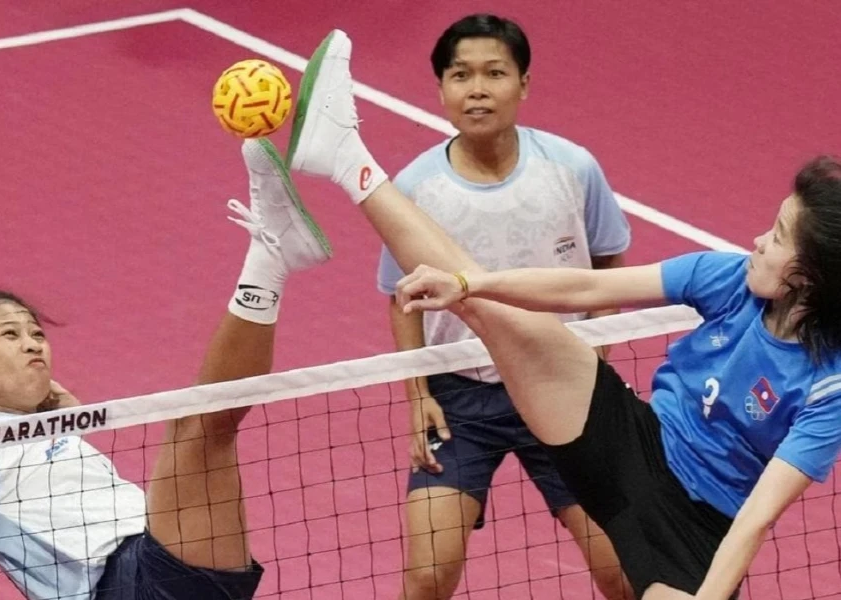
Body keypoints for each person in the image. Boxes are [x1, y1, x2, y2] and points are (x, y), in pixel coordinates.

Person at [284, 28, 841, 599]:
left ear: (809, 276)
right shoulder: (728, 277)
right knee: (487, 306)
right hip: (628, 440)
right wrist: (470, 282)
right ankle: (346, 157)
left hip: (695, 532)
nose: (756, 240)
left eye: (774, 238)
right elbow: (579, 287)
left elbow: (758, 517)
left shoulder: (830, 387)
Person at [0, 137, 331, 600]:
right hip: (124, 582)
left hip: (154, 554)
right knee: (200, 427)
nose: (33, 345)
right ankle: (270, 255)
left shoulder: (44, 432)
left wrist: (59, 424)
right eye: (10, 335)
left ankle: (272, 255)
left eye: (37, 334)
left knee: (208, 427)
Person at [374, 14, 631, 599]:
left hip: (561, 381)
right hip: (458, 399)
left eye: (495, 73)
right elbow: (403, 300)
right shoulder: (413, 189)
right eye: (461, 75)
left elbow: (609, 264)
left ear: (524, 83)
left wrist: (596, 362)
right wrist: (418, 400)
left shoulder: (572, 169)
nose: (478, 89)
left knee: (623, 568)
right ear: (441, 89)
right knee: (426, 576)